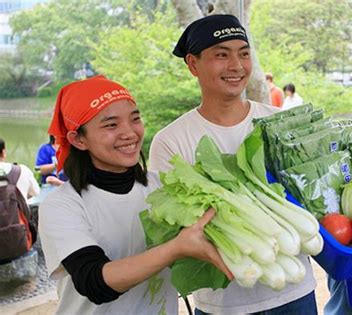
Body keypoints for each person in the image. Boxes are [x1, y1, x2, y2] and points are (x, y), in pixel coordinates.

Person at [149, 14, 317, 315]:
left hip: (296, 295)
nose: (237, 66)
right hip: (222, 306)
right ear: (193, 64)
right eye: (221, 55)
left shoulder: (277, 121)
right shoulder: (171, 142)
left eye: (243, 54)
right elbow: (174, 228)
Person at [39, 75, 232, 314]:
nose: (129, 133)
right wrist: (176, 248)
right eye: (111, 125)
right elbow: (94, 282)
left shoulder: (163, 188)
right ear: (78, 139)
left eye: (135, 119)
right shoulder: (62, 205)